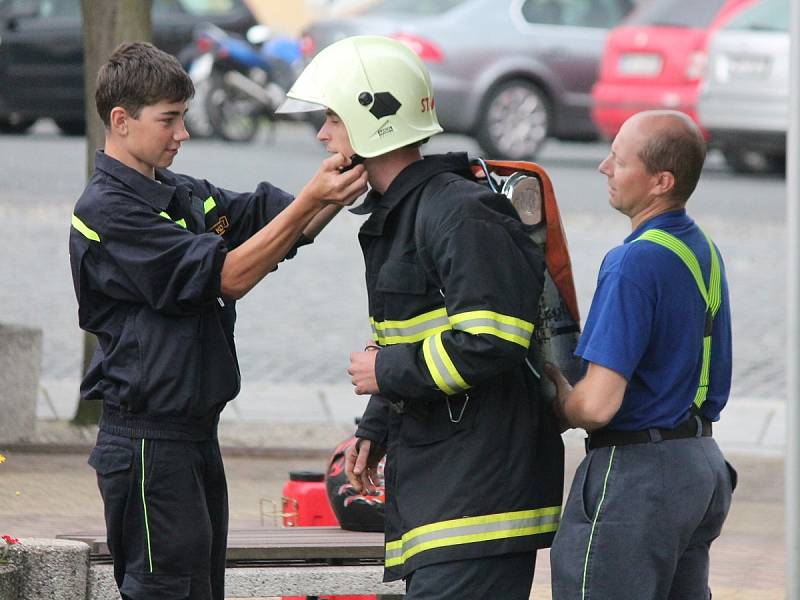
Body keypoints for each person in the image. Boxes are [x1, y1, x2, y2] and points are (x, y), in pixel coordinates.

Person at [68, 42, 367, 600]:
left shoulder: (177, 193)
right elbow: (227, 276)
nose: (183, 133)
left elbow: (277, 225)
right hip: (147, 446)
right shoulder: (107, 211)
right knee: (165, 591)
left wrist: (353, 168)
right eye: (170, 120)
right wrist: (312, 199)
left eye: (183, 117)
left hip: (194, 438)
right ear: (120, 121)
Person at [278, 35, 564, 599]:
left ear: (370, 118)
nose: (323, 134)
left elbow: (493, 339)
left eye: (332, 117)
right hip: (447, 492)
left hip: (478, 505)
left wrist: (385, 373)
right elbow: (416, 334)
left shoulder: (459, 213)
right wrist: (376, 425)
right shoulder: (410, 214)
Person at [544, 109, 736, 599]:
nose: (604, 167)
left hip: (637, 479)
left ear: (660, 182)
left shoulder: (634, 261)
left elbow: (596, 405)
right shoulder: (702, 249)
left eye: (619, 159)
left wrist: (557, 398)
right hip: (700, 466)